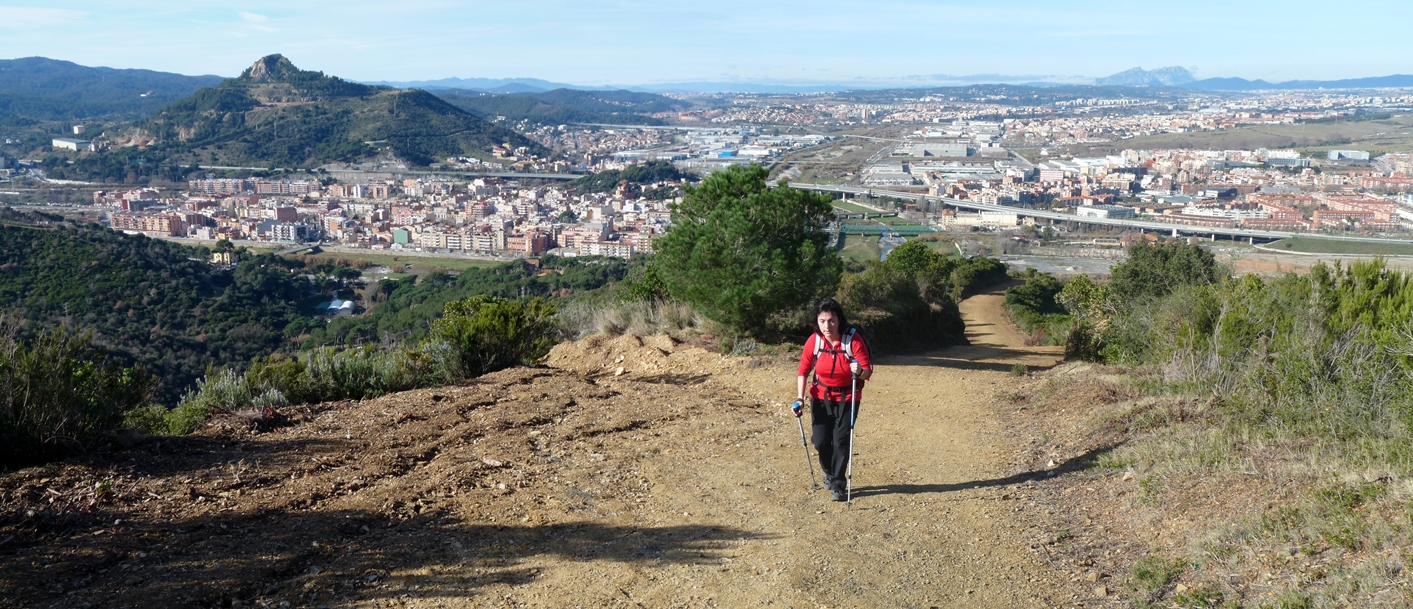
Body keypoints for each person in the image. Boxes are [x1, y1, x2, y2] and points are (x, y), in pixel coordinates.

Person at [794, 298, 872, 502]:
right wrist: (800, 399)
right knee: (820, 441)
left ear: (839, 320)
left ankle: (838, 484)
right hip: (820, 397)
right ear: (817, 321)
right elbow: (803, 371)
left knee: (841, 441)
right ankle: (829, 472)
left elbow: (867, 372)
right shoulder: (814, 341)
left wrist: (859, 371)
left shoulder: (852, 340)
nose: (827, 326)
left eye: (831, 321)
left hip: (848, 398)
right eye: (822, 321)